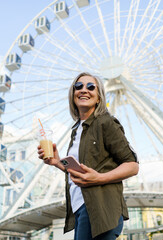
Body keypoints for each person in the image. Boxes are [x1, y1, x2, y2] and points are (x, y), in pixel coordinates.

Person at [37, 72, 139, 240]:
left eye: (91, 87)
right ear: (73, 94)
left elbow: (132, 165)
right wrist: (57, 162)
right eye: (79, 86)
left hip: (100, 208)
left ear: (99, 97)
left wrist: (99, 178)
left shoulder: (106, 122)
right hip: (80, 208)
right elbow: (81, 173)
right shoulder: (77, 130)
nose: (84, 90)